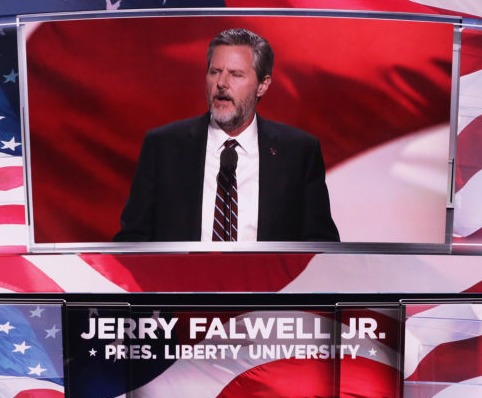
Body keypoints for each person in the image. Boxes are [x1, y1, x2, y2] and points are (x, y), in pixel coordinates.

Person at [113, 28, 339, 243]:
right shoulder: (163, 147)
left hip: (266, 284)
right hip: (183, 283)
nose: (221, 83)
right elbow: (133, 240)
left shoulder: (298, 153)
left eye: (236, 74)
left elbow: (321, 247)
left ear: (262, 85)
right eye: (215, 72)